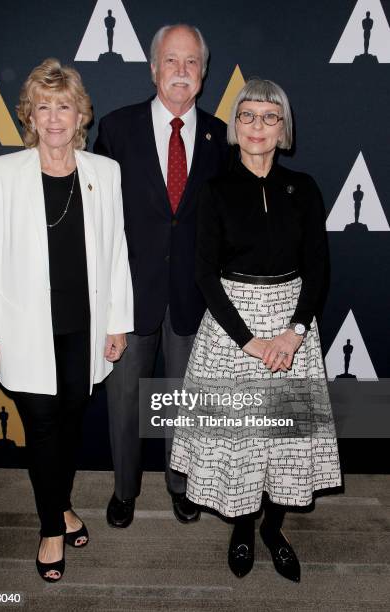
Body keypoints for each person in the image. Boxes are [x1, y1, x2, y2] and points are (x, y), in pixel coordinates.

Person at [170, 79, 342, 581]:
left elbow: (318, 267)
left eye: (270, 117)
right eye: (248, 116)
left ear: (283, 128)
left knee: (285, 441)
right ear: (235, 127)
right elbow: (205, 274)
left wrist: (293, 333)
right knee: (241, 440)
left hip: (293, 326)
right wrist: (249, 341)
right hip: (232, 331)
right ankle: (243, 527)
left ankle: (273, 528)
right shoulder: (215, 191)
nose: (258, 126)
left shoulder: (304, 187)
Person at [0, 58, 133, 582]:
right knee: (41, 427)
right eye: (44, 107)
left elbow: (116, 253)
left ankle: (60, 504)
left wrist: (116, 323)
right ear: (30, 116)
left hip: (84, 328)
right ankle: (50, 527)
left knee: (69, 423)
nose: (55, 117)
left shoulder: (104, 173)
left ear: (81, 113)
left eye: (64, 105)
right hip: (25, 330)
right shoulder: (5, 172)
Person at [94, 24, 229, 528]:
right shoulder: (116, 128)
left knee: (182, 401)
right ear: (153, 68)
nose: (180, 71)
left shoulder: (221, 136)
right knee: (124, 400)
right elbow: (97, 218)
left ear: (203, 73)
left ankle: (180, 484)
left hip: (193, 296)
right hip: (128, 295)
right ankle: (124, 490)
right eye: (171, 60)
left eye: (191, 62)